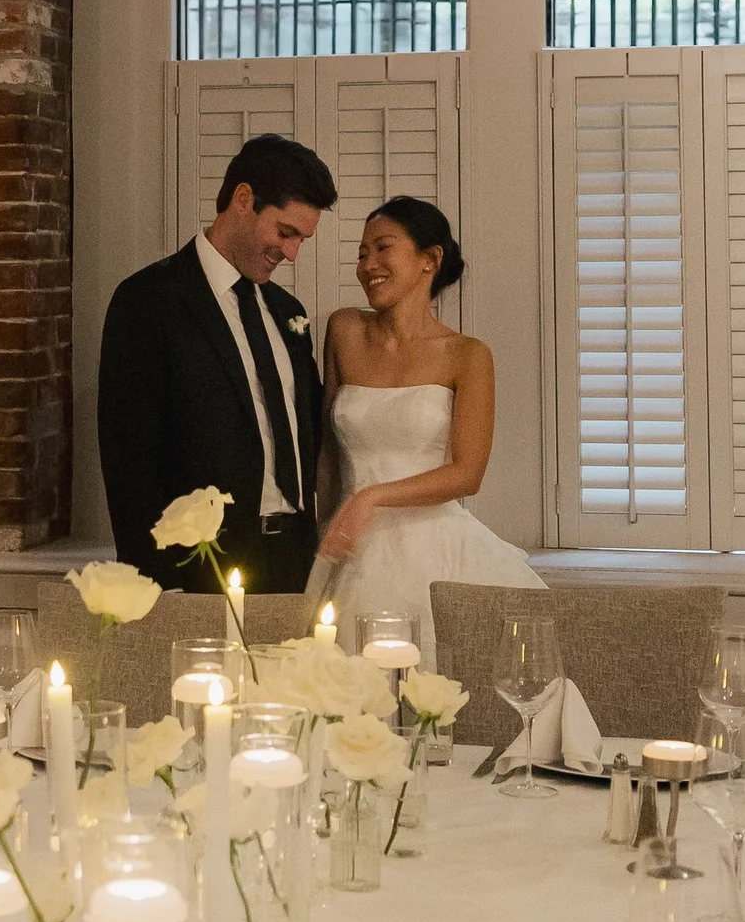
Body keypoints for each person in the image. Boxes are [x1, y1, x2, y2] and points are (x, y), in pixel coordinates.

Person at [96, 133, 338, 592]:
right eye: (285, 233)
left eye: (302, 239)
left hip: (294, 566)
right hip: (196, 572)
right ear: (243, 199)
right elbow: (129, 463)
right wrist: (158, 583)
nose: (292, 253)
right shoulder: (149, 301)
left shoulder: (289, 312)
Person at [313, 194, 538, 657]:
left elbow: (467, 473)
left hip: (435, 549)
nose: (367, 264)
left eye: (382, 248)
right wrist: (323, 531)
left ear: (429, 260)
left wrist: (371, 497)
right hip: (350, 548)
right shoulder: (344, 330)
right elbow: (327, 453)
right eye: (361, 253)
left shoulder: (468, 355)